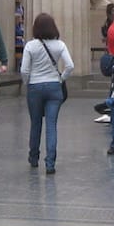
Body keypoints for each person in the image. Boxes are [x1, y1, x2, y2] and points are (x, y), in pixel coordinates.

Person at [21, 12, 73, 174]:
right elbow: (70, 65)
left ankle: (34, 157)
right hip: (53, 86)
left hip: (35, 86)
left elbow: (24, 69)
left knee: (35, 123)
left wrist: (27, 82)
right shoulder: (60, 45)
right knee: (51, 125)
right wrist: (61, 79)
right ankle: (50, 163)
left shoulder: (30, 46)